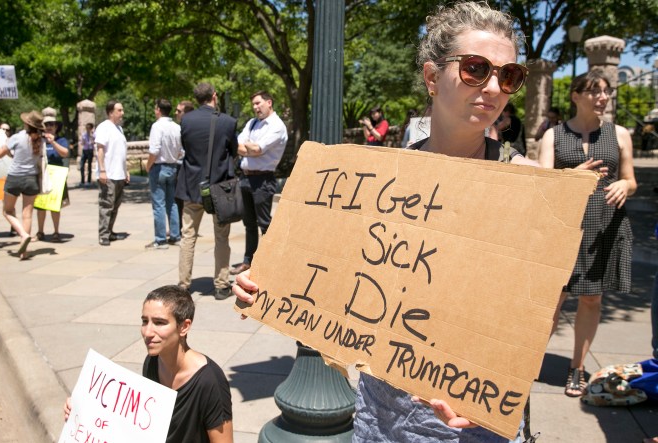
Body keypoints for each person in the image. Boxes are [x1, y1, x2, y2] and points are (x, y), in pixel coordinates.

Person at [235, 2, 537, 441]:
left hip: (475, 417)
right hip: (383, 416)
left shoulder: (527, 185)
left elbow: (537, 311)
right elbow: (334, 271)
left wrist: (496, 386)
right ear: (433, 78)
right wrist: (264, 285)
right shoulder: (379, 178)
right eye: (476, 69)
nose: (493, 87)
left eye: (508, 76)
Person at [538, 70, 637, 397]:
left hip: (604, 226)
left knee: (592, 299)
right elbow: (540, 185)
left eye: (606, 91)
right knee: (551, 301)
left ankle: (576, 369)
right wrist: (570, 177)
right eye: (595, 91)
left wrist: (625, 184)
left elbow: (630, 180)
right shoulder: (553, 136)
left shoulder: (620, 134)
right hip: (564, 229)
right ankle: (524, 363)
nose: (603, 97)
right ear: (576, 96)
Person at [63, 285, 233, 442]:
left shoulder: (210, 382)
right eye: (145, 321)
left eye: (159, 323)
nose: (148, 332)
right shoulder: (152, 362)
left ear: (184, 327)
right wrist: (83, 409)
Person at [175, 83, 237, 300]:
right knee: (222, 237)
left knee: (188, 236)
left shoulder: (186, 121)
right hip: (219, 188)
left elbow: (186, 148)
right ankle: (221, 285)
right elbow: (234, 151)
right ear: (214, 96)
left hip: (192, 187)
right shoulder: (228, 122)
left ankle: (183, 285)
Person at [230, 90, 287, 275]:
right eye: (253, 104)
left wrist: (249, 147)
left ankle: (273, 261)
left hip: (263, 180)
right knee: (249, 223)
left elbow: (258, 149)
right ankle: (249, 260)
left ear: (269, 102)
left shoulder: (277, 126)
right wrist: (249, 148)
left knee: (265, 223)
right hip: (246, 177)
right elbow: (238, 146)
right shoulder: (252, 123)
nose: (255, 108)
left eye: (258, 103)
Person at [0, 111, 45, 260]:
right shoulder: (40, 140)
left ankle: (23, 234)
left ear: (26, 123)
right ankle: (24, 251)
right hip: (31, 179)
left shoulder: (17, 137)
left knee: (7, 211)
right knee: (27, 214)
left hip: (15, 177)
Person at [146, 98, 183, 249]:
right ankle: (175, 235)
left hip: (159, 167)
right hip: (173, 166)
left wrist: (148, 165)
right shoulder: (176, 127)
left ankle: (160, 239)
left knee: (159, 204)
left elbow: (154, 150)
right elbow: (181, 151)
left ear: (158, 110)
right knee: (172, 203)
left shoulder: (157, 126)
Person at [96, 100, 129, 246]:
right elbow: (100, 149)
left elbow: (121, 153)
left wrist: (126, 170)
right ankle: (103, 234)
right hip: (108, 174)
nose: (122, 113)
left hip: (120, 174)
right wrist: (102, 170)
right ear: (111, 112)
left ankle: (109, 231)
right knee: (106, 205)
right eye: (119, 110)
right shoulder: (104, 127)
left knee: (115, 206)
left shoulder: (119, 129)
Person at [35, 107, 70, 243]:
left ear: (56, 127)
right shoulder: (38, 140)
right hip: (42, 175)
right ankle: (40, 231)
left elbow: (64, 153)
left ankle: (56, 231)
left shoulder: (61, 140)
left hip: (56, 174)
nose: (49, 127)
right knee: (41, 206)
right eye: (46, 125)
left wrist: (52, 142)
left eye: (51, 125)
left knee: (55, 206)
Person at [174, 100, 194, 231]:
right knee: (178, 199)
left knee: (184, 199)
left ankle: (185, 226)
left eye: (179, 111)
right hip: (179, 165)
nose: (176, 113)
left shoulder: (190, 127)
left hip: (186, 166)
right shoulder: (179, 127)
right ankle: (179, 226)